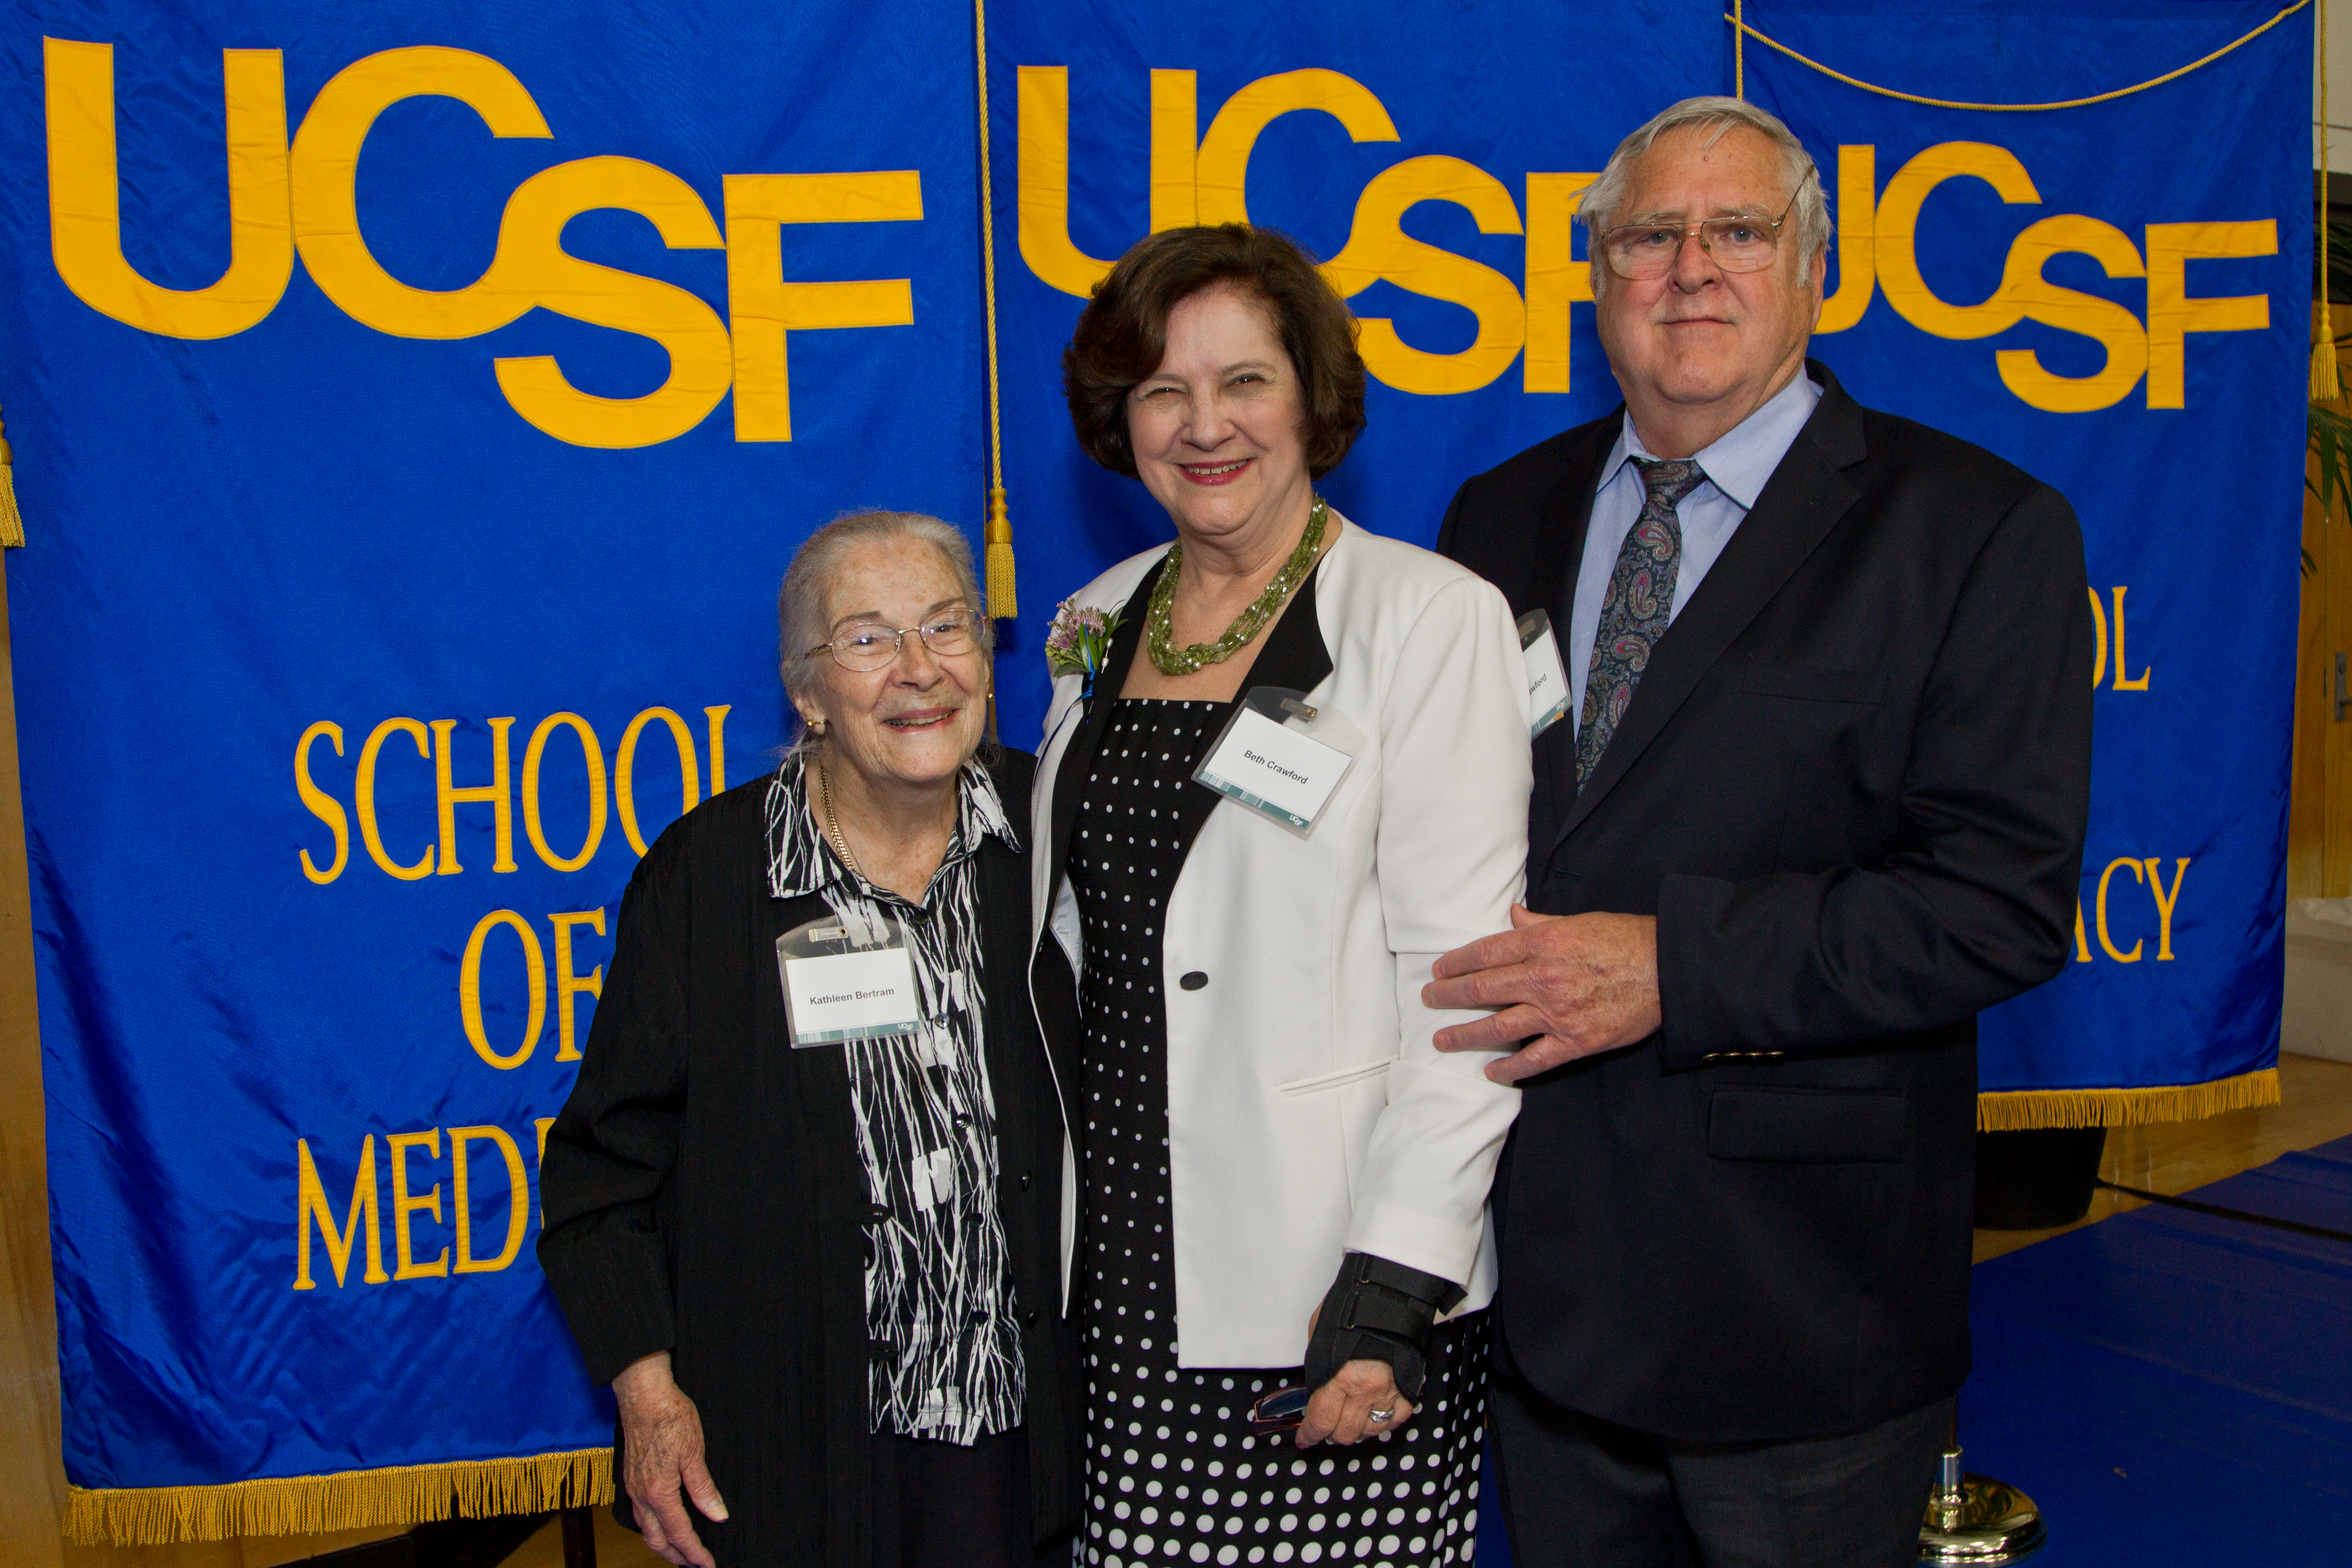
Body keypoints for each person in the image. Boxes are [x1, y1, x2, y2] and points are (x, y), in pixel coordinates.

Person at [1428, 97, 2095, 1567]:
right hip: (1540, 1288)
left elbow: (1999, 902)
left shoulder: (1978, 530)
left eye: (1739, 231)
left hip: (1803, 1302)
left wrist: (1683, 964)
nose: (1692, 268)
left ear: (1819, 271)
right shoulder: (1497, 516)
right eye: (1650, 235)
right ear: (1597, 275)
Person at [1031, 223, 1531, 1568]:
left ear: (1311, 395)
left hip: (1326, 1278)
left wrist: (1390, 1290)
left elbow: (1466, 994)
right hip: (1123, 1267)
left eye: (1244, 382)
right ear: (1117, 419)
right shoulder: (1096, 620)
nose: (1206, 427)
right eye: (1162, 392)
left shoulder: (1425, 620)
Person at [538, 511, 1080, 1568]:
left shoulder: (1059, 834)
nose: (920, 670)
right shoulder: (709, 880)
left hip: (1046, 1447)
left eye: (947, 627)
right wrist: (648, 1399)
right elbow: (602, 1180)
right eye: (868, 640)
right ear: (807, 693)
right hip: (805, 1460)